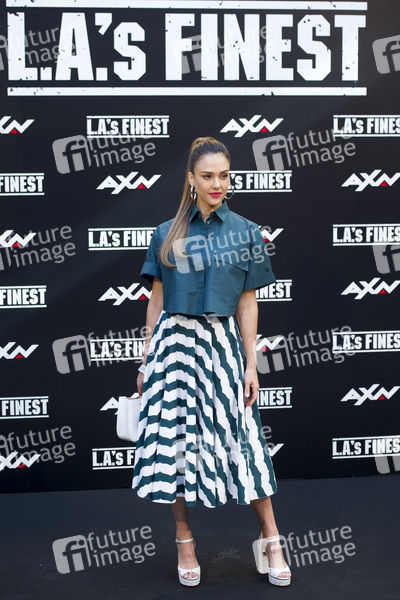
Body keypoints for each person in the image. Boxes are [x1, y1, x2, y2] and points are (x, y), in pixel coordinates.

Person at [132, 137, 291, 588]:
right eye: (207, 176)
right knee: (175, 445)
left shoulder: (246, 232)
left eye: (223, 175)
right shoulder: (166, 233)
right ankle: (184, 540)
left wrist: (250, 364)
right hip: (173, 347)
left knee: (245, 443)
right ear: (191, 179)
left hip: (221, 345)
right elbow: (156, 301)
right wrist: (145, 359)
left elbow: (247, 303)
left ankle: (271, 539)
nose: (217, 184)